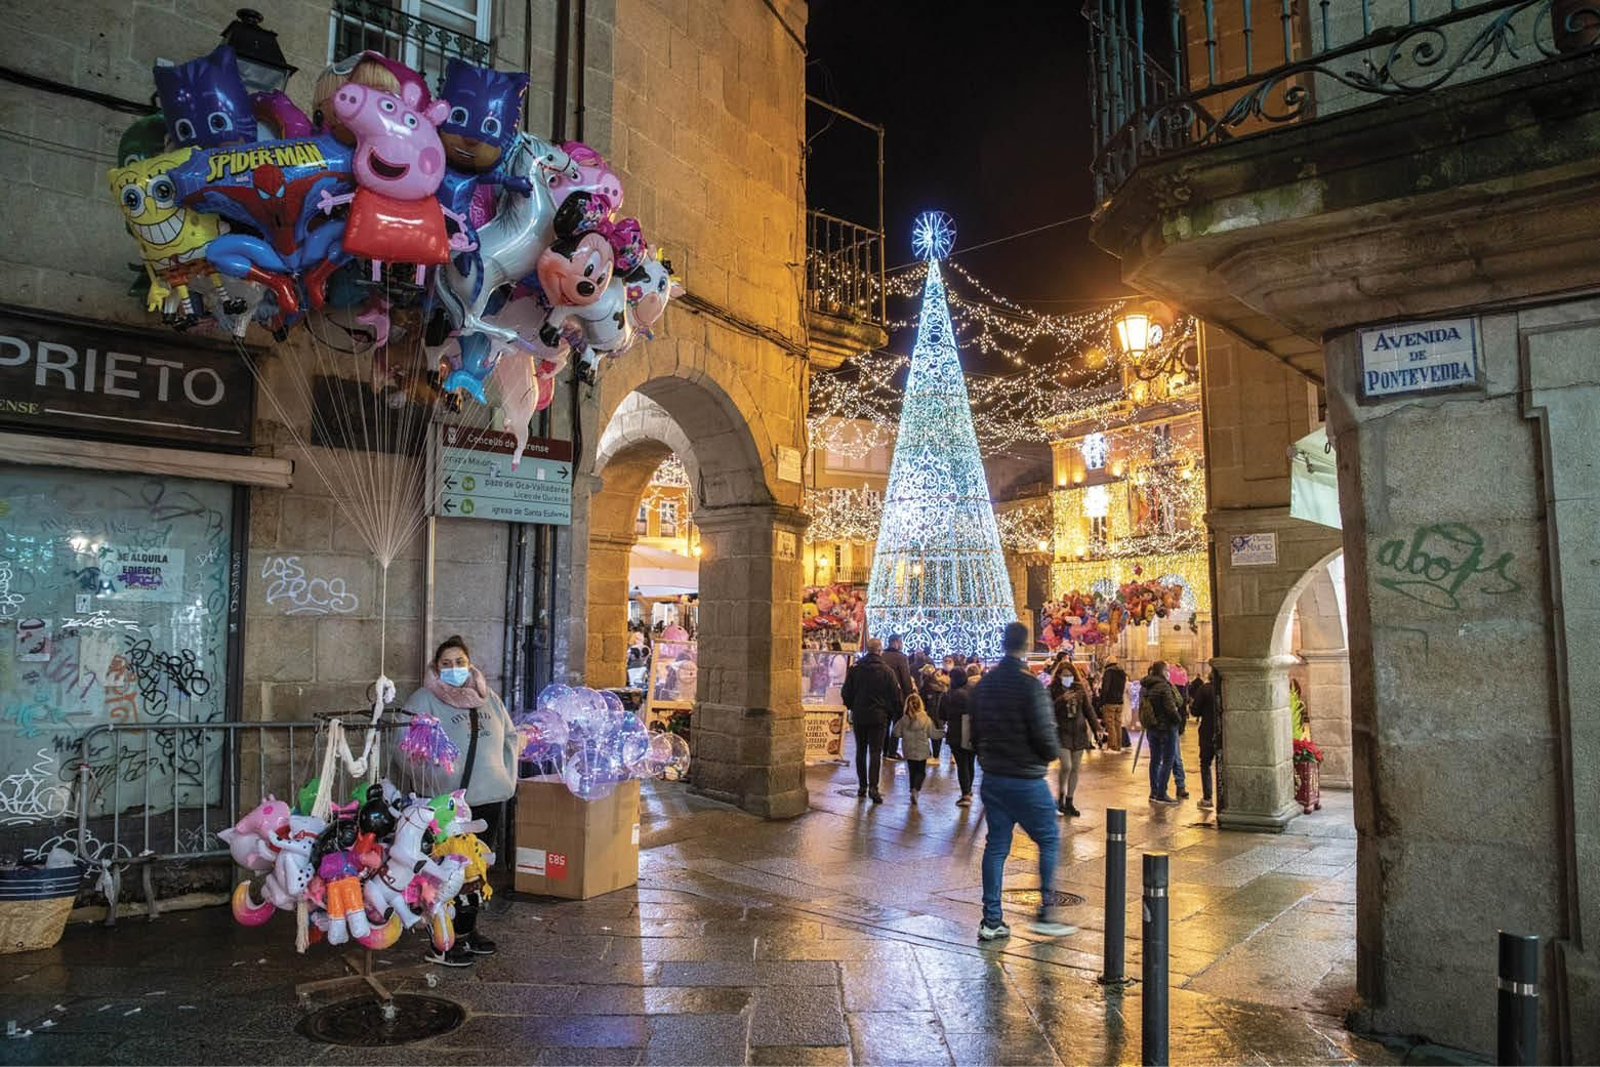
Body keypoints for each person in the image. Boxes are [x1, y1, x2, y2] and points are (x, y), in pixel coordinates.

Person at [402, 634, 519, 967]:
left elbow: (510, 737)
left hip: (488, 799)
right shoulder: (423, 700)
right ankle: (442, 941)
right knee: (444, 875)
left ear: (470, 664)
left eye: (460, 662)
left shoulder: (488, 698)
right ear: (436, 668)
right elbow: (406, 746)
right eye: (447, 664)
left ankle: (468, 932)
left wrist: (505, 775)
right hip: (447, 805)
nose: (454, 669)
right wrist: (434, 779)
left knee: (477, 872)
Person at [971, 621, 1077, 941]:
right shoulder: (1031, 686)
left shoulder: (984, 686)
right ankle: (1045, 913)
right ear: (1025, 646)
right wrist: (1047, 756)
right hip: (1026, 779)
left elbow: (973, 733)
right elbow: (1046, 738)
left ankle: (991, 920)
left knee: (996, 847)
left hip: (994, 777)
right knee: (1047, 840)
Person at [840, 638, 899, 803]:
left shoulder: (855, 669)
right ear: (879, 651)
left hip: (859, 716)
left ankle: (862, 787)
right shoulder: (887, 671)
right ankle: (874, 787)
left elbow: (846, 693)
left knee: (861, 751)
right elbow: (895, 696)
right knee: (875, 752)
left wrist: (853, 706)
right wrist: (889, 711)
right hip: (879, 717)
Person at [1050, 660, 1104, 818]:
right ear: (1059, 676)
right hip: (1062, 732)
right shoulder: (1053, 689)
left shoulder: (1079, 689)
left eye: (1070, 675)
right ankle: (1060, 795)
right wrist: (1061, 700)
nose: (1067, 678)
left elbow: (1088, 710)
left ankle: (1069, 801)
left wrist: (1097, 729)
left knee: (1075, 768)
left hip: (1079, 732)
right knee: (1066, 765)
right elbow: (1048, 708)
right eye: (1064, 675)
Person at [1139, 660, 1184, 805]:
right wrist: (1178, 720)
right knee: (1168, 760)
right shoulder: (1164, 686)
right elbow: (1170, 708)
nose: (1168, 673)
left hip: (1152, 728)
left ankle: (1154, 791)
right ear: (1163, 671)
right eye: (1167, 670)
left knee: (1155, 760)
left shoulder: (1146, 687)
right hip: (1166, 728)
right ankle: (1161, 793)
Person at [893, 692, 944, 805]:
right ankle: (916, 789)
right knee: (921, 772)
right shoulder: (926, 719)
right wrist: (944, 733)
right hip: (922, 750)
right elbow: (933, 734)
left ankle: (912, 790)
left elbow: (895, 732)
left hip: (908, 750)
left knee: (912, 771)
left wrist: (904, 735)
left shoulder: (904, 719)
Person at [943, 665, 977, 806]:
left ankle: (965, 794)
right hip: (972, 730)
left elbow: (942, 714)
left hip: (956, 732)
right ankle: (968, 790)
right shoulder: (974, 691)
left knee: (961, 764)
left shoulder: (950, 694)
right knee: (970, 762)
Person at [880, 635, 917, 760]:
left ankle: (884, 750)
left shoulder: (881, 656)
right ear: (895, 643)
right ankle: (892, 751)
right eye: (901, 641)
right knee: (897, 724)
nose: (902, 644)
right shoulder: (901, 658)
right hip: (897, 697)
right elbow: (905, 679)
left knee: (885, 723)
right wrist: (910, 696)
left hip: (882, 697)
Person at [1189, 668, 1219, 809]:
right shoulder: (1227, 689)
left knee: (1205, 764)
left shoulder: (1205, 689)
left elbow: (1195, 711)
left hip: (1207, 731)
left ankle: (1207, 798)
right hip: (1224, 732)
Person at [1098, 656, 1127, 752]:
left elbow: (1105, 688)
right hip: (1119, 701)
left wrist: (1101, 701)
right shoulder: (1122, 672)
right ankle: (1118, 745)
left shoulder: (1109, 672)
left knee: (1110, 724)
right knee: (1118, 724)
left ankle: (1112, 746)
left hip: (1110, 701)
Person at [919, 664, 948, 761]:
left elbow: (922, 698)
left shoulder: (927, 683)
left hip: (932, 712)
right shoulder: (944, 686)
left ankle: (933, 755)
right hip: (938, 713)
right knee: (936, 733)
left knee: (929, 734)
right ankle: (935, 755)